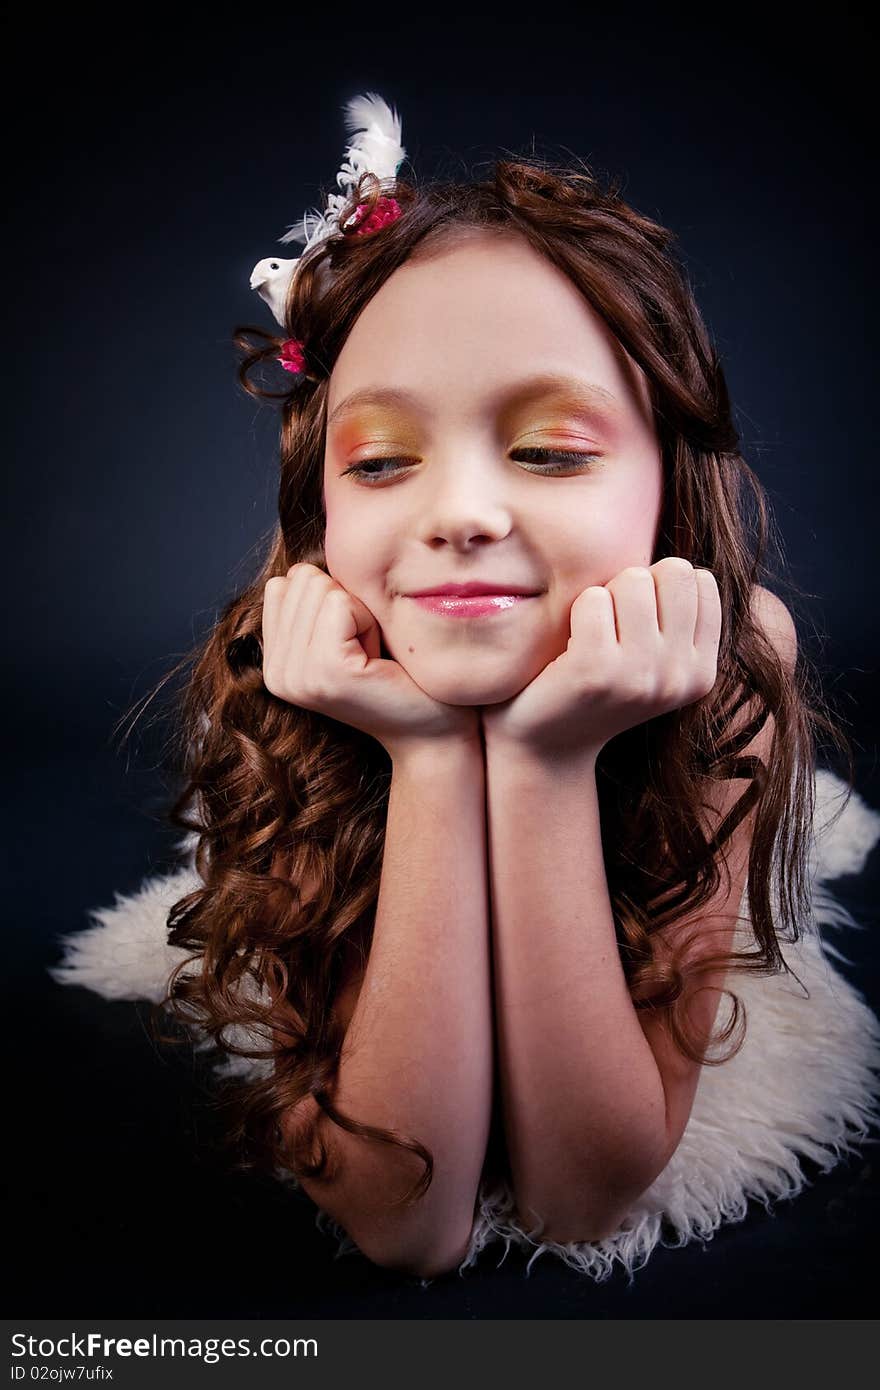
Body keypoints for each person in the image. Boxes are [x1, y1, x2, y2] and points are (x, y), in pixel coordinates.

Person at [50, 94, 880, 1287]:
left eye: (547, 450)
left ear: (667, 482)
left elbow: (584, 1196)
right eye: (382, 461)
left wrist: (545, 765)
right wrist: (429, 755)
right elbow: (409, 1222)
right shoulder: (290, 662)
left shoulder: (730, 668)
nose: (461, 515)